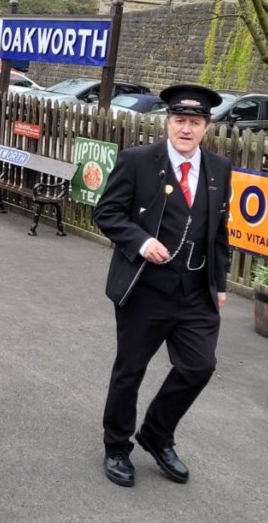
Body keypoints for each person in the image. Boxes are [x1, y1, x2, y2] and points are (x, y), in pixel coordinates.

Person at [93, 84, 231, 488]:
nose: (186, 129)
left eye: (195, 122)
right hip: (146, 289)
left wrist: (219, 283)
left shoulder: (219, 169)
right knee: (130, 371)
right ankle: (117, 446)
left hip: (196, 291)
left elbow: (219, 232)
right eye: (179, 120)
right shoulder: (138, 161)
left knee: (199, 365)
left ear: (206, 127)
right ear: (168, 121)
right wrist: (141, 241)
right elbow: (107, 212)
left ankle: (156, 432)